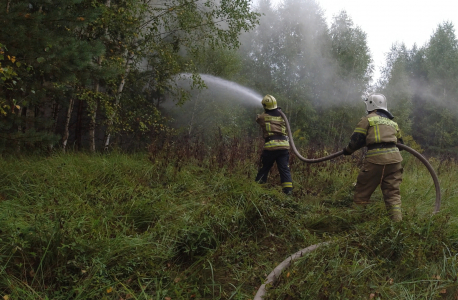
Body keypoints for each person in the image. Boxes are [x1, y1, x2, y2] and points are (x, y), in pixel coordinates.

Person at [342, 93, 404, 221]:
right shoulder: (393, 123)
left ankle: (355, 223)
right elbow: (401, 145)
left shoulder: (368, 119)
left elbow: (356, 140)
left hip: (376, 160)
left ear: (371, 105)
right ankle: (397, 225)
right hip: (395, 161)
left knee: (362, 192)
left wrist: (347, 151)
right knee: (393, 194)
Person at [255, 94, 293, 195]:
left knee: (264, 168)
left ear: (265, 106)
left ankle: (258, 190)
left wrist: (265, 111)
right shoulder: (282, 116)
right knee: (284, 169)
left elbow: (258, 119)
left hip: (271, 147)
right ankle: (288, 192)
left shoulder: (263, 117)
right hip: (284, 147)